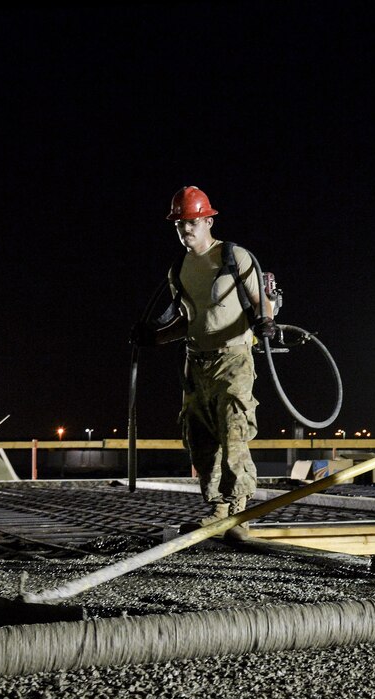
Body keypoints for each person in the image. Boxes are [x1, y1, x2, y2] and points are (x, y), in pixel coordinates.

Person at [131, 186, 277, 536]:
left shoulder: (233, 256)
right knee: (200, 437)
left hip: (233, 357)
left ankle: (238, 512)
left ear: (209, 220)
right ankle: (217, 509)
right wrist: (156, 337)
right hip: (195, 362)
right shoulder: (179, 268)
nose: (186, 229)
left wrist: (265, 320)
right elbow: (188, 320)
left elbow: (261, 302)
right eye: (180, 223)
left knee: (234, 431)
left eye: (193, 222)